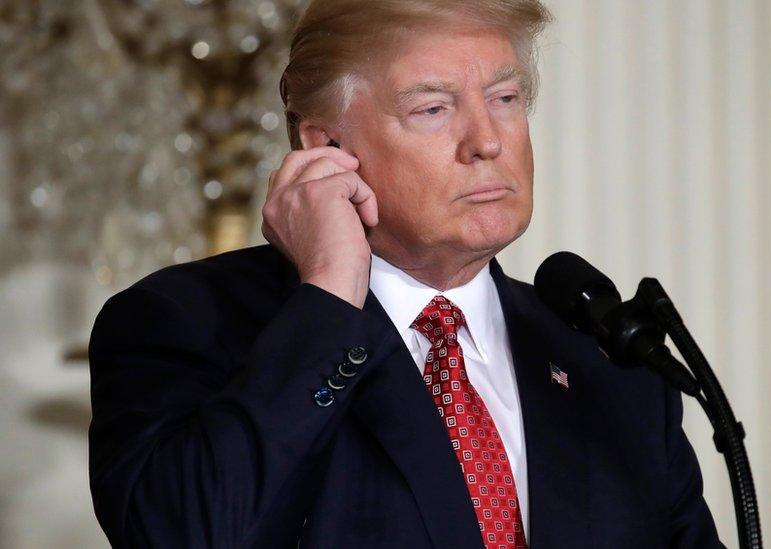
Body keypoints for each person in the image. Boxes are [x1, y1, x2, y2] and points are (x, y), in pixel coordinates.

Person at [87, 1, 723, 547]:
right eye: (433, 109)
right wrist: (331, 294)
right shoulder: (186, 322)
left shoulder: (607, 360)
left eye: (505, 99)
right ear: (327, 149)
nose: (488, 141)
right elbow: (179, 533)